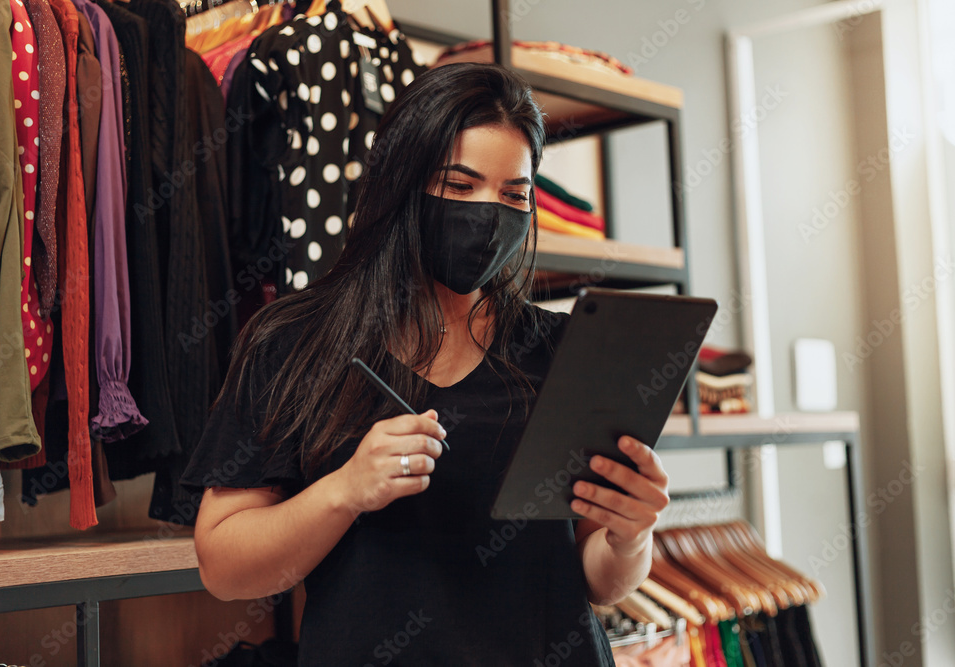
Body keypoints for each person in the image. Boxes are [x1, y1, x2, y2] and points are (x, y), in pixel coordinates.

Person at [181, 61, 670, 666]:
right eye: (460, 186)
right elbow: (224, 566)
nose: (490, 214)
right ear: (401, 184)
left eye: (514, 194)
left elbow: (597, 579)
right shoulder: (292, 343)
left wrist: (631, 535)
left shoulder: (566, 350)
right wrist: (347, 490)